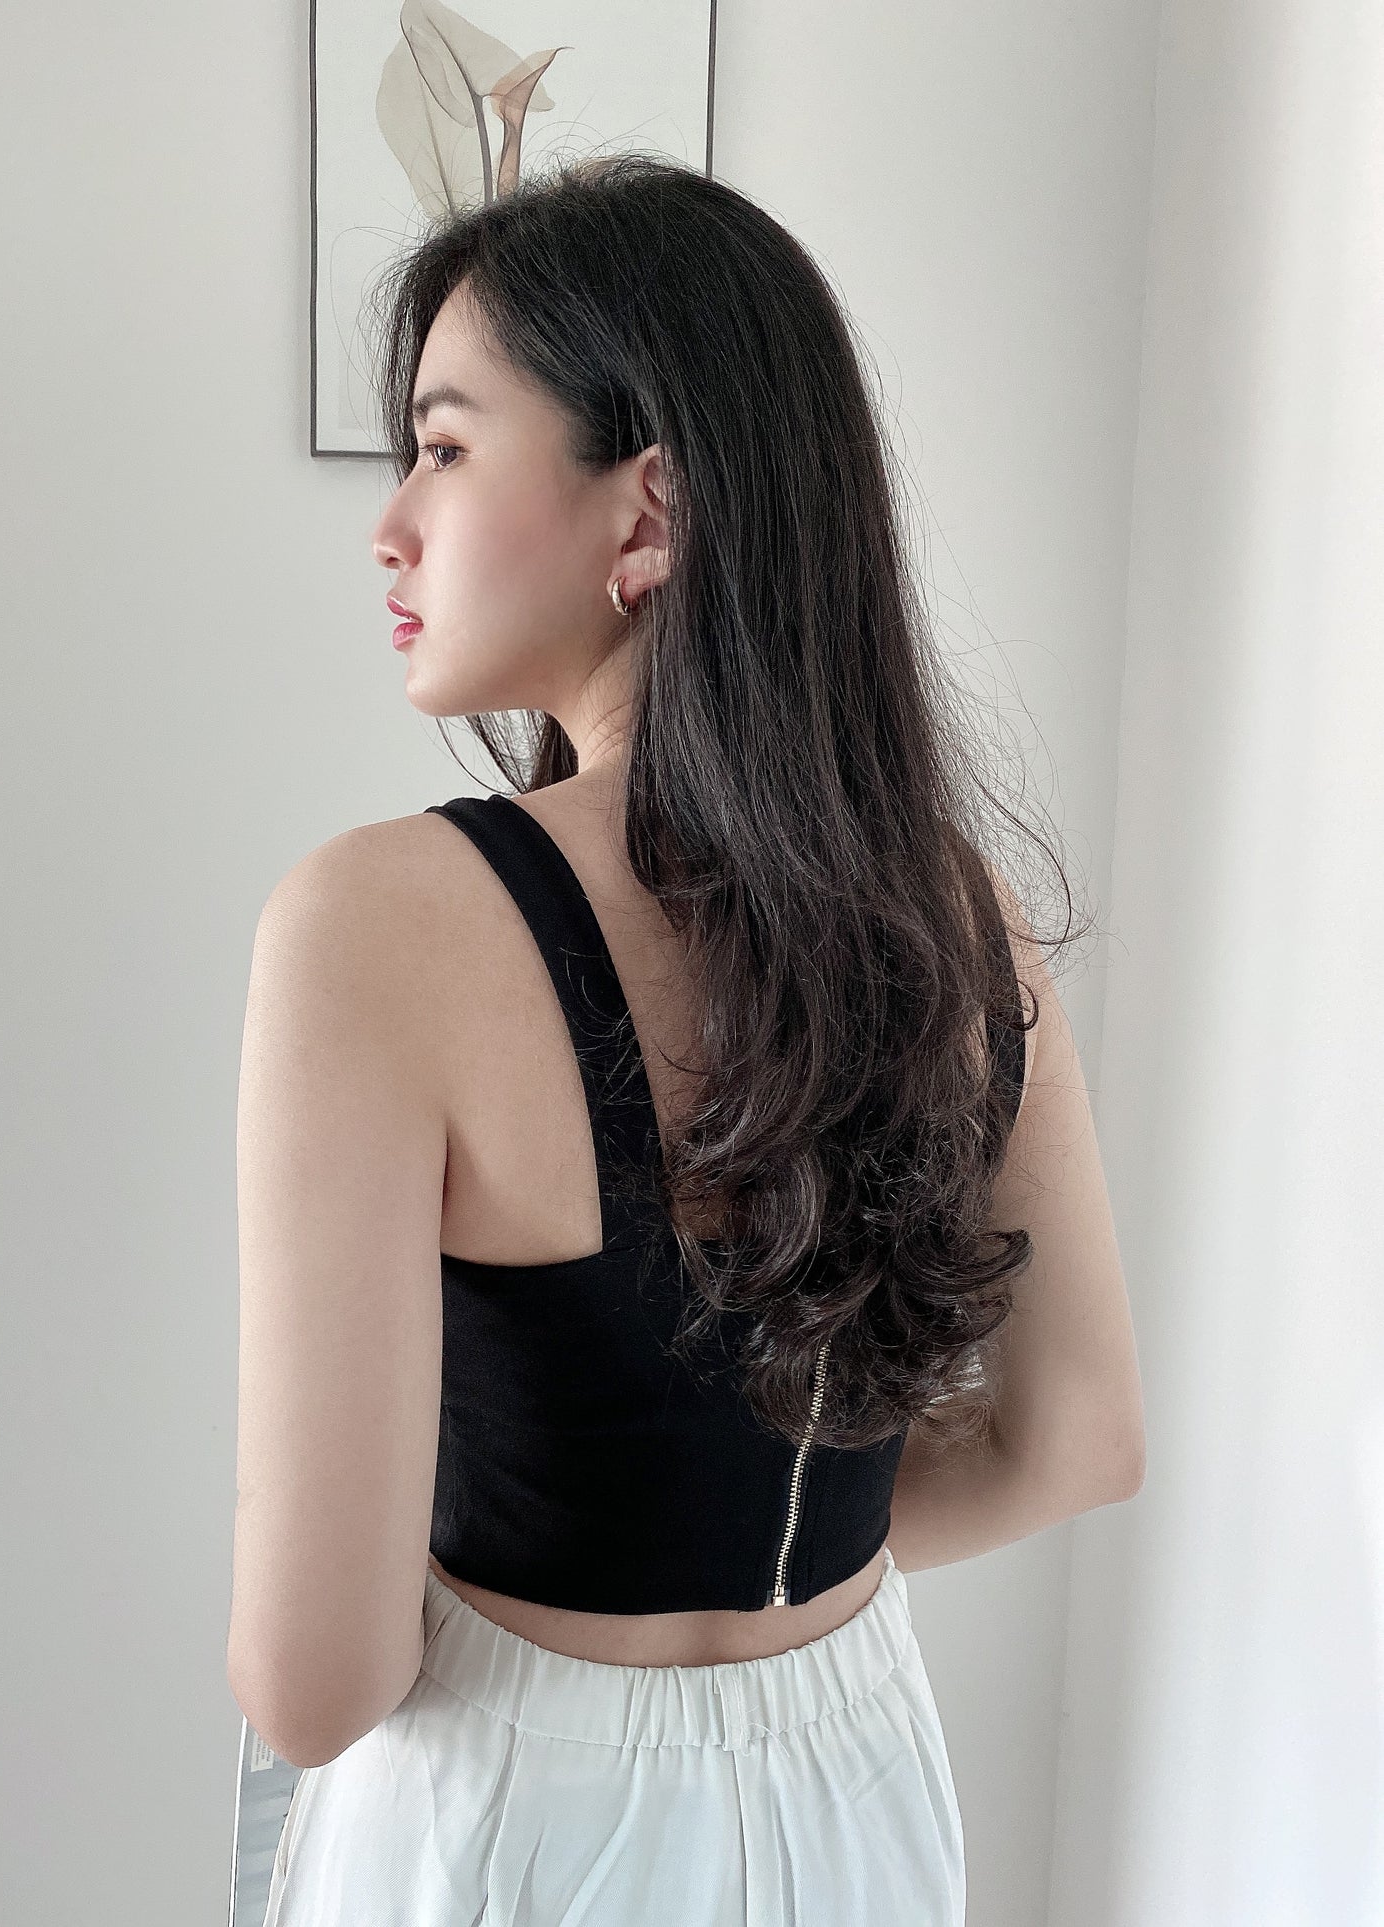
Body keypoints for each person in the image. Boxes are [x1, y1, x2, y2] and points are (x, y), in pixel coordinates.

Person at [228, 152, 1146, 1926]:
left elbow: (314, 1684)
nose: (389, 524)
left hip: (507, 1817)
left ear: (644, 511)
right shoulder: (958, 915)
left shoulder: (378, 927)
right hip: (863, 1791)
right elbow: (1076, 1442)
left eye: (443, 446)